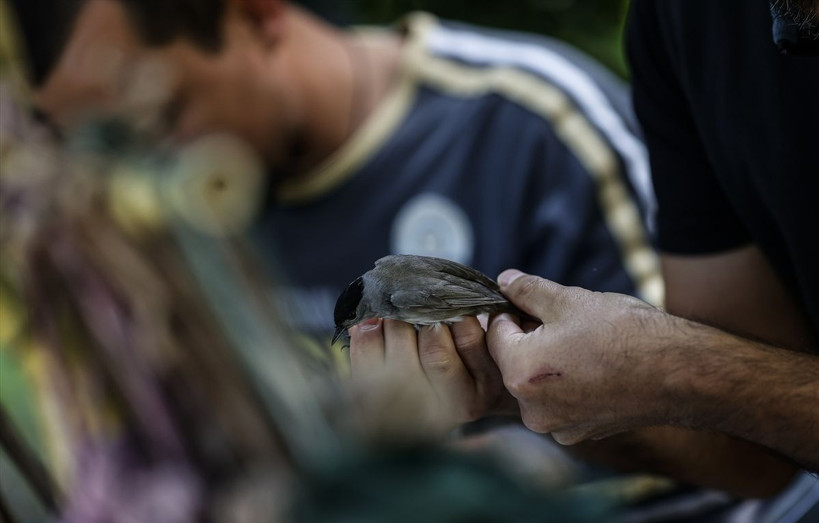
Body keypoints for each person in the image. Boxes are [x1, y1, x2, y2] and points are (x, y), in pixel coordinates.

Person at [350, 0, 819, 523]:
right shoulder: (686, 20)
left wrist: (679, 371)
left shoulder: (537, 111)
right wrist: (525, 394)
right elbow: (754, 457)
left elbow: (722, 389)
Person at [8, 0, 657, 361]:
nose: (147, 179)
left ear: (260, 16)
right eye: (111, 149)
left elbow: (709, 422)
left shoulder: (531, 123)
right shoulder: (172, 227)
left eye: (164, 115)